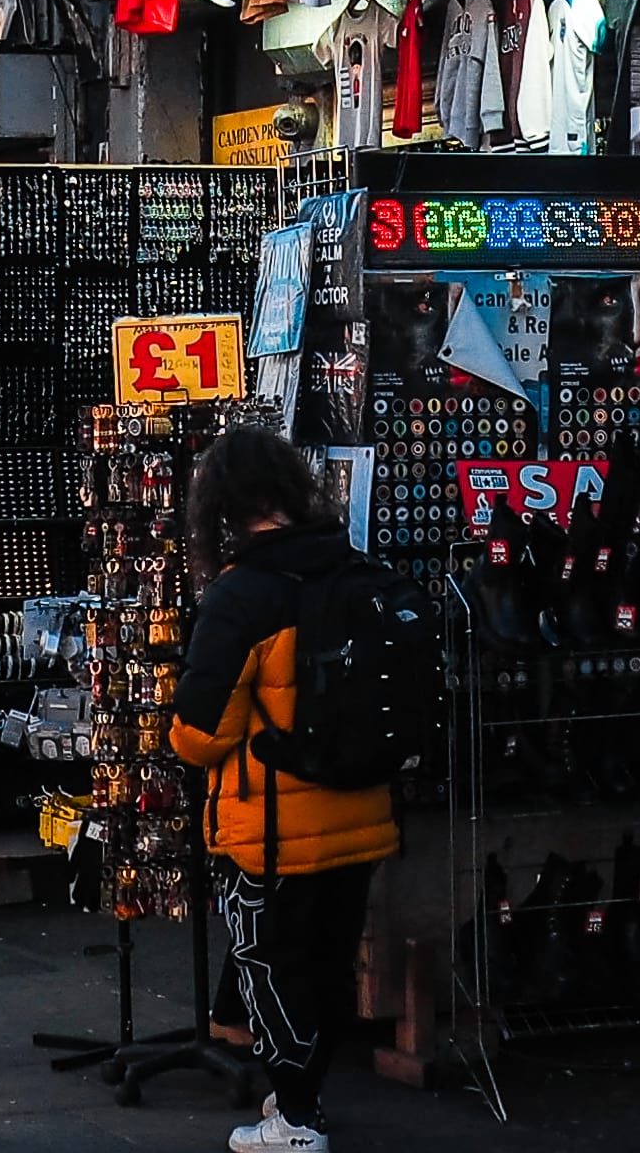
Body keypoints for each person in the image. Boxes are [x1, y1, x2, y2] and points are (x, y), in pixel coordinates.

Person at [169, 429, 401, 1153]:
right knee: (330, 967)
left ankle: (298, 1120)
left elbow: (201, 733)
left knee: (275, 970)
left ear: (224, 508)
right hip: (361, 809)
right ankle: (300, 1102)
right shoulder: (358, 572)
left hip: (272, 828)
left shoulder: (243, 597)